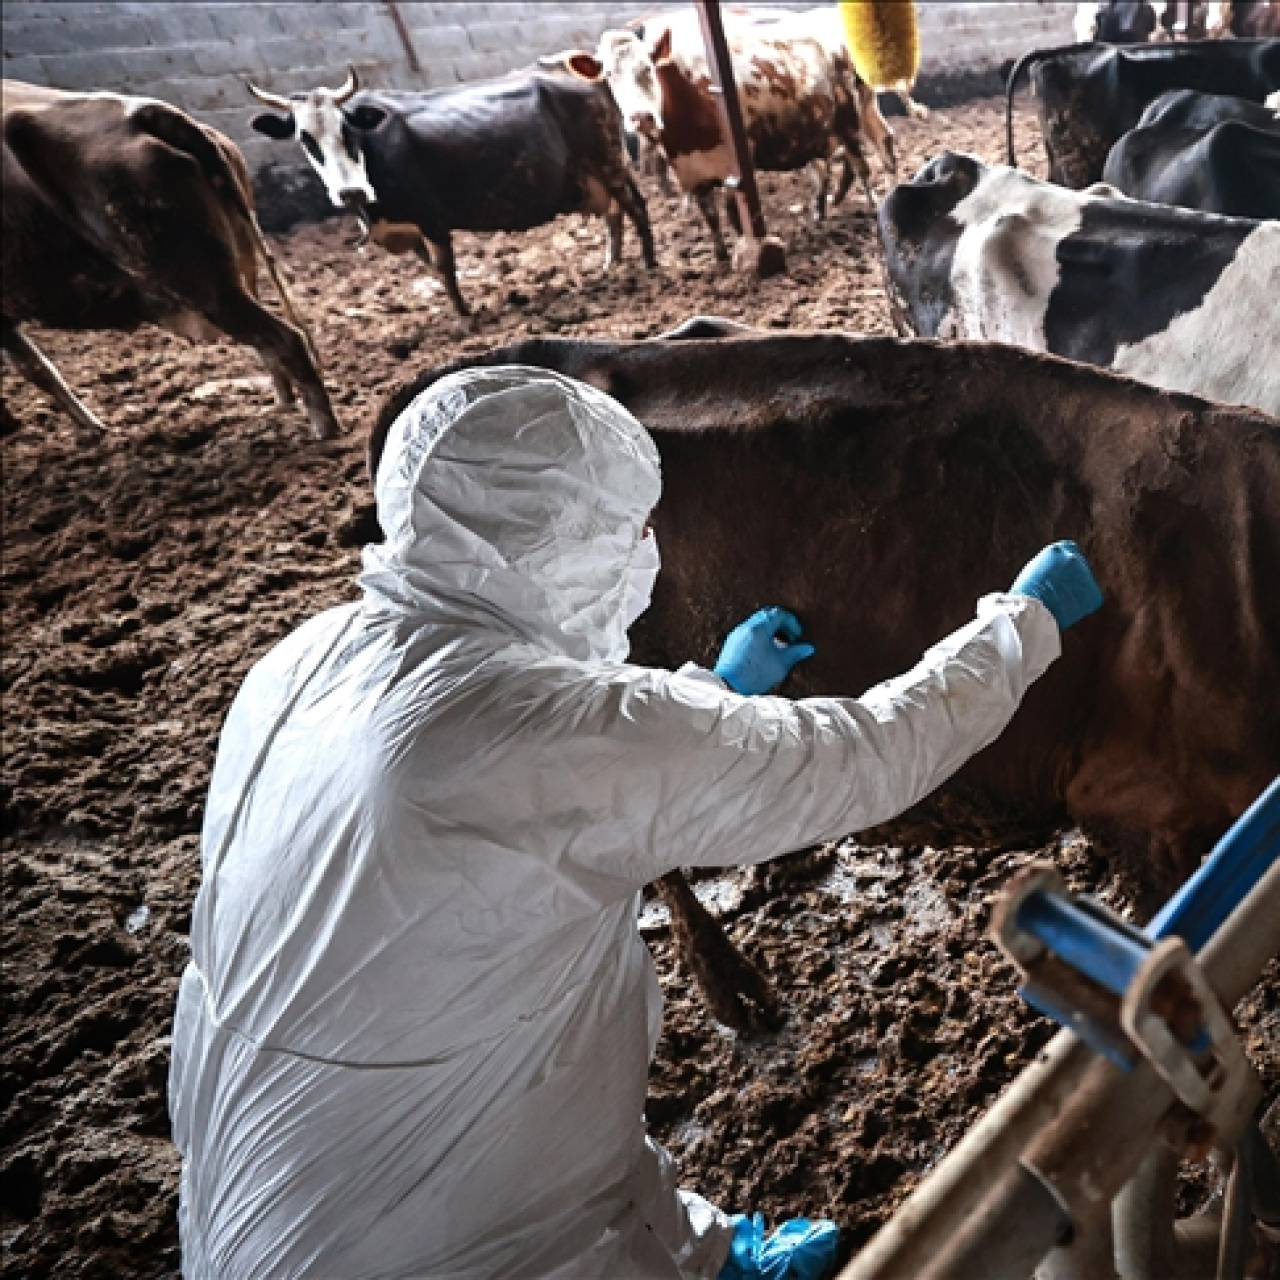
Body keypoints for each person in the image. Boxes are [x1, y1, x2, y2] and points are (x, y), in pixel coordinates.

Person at [169, 367, 1102, 1280]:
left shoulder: (305, 659)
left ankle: (700, 1254)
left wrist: (711, 694)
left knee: (554, 1077)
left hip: (262, 1170)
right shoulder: (530, 731)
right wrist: (1019, 626)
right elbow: (866, 752)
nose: (642, 548)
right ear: (556, 538)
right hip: (425, 1240)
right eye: (619, 527)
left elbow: (554, 775)